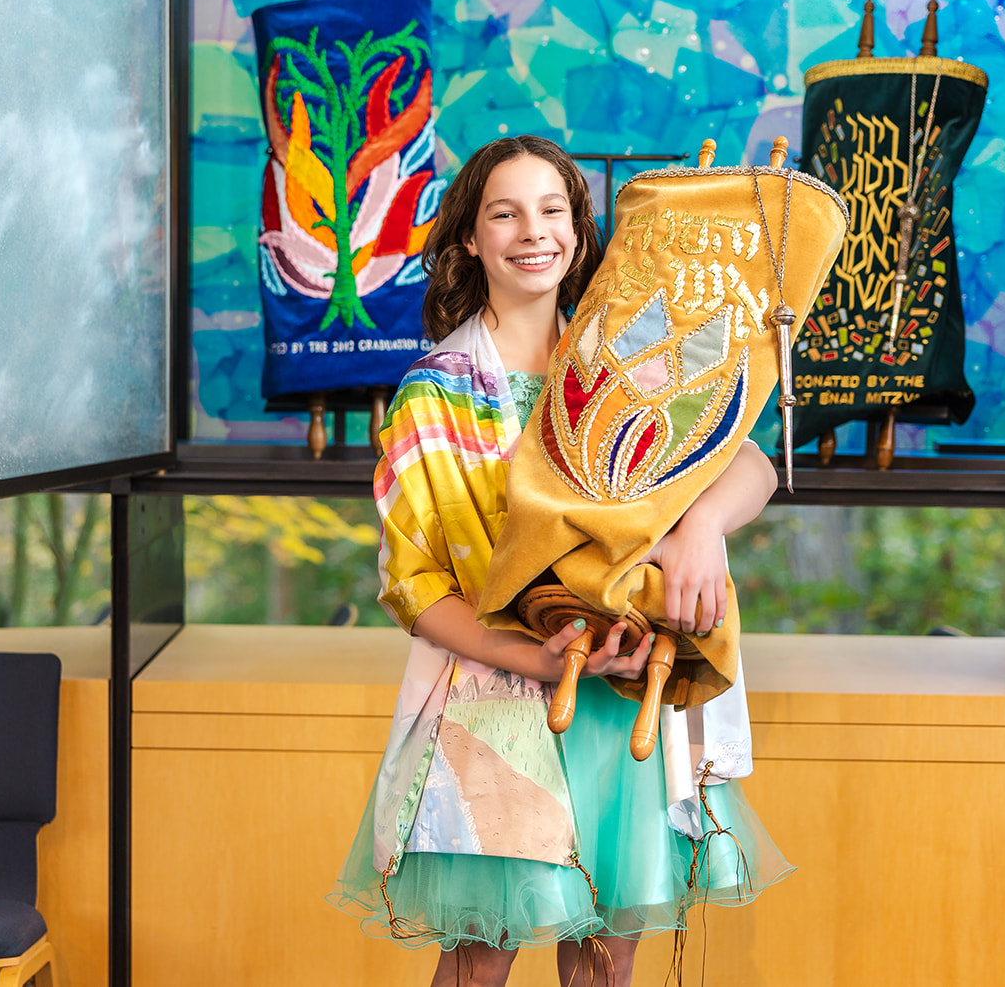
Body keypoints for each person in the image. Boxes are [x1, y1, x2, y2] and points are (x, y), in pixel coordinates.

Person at [331, 135, 790, 986]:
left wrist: (701, 529)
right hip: (498, 704)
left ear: (579, 232)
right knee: (477, 966)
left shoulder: (631, 354)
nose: (531, 231)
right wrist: (528, 653)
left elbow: (750, 460)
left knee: (604, 969)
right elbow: (415, 587)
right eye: (503, 212)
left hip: (623, 697)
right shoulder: (432, 394)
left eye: (552, 210)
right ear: (471, 237)